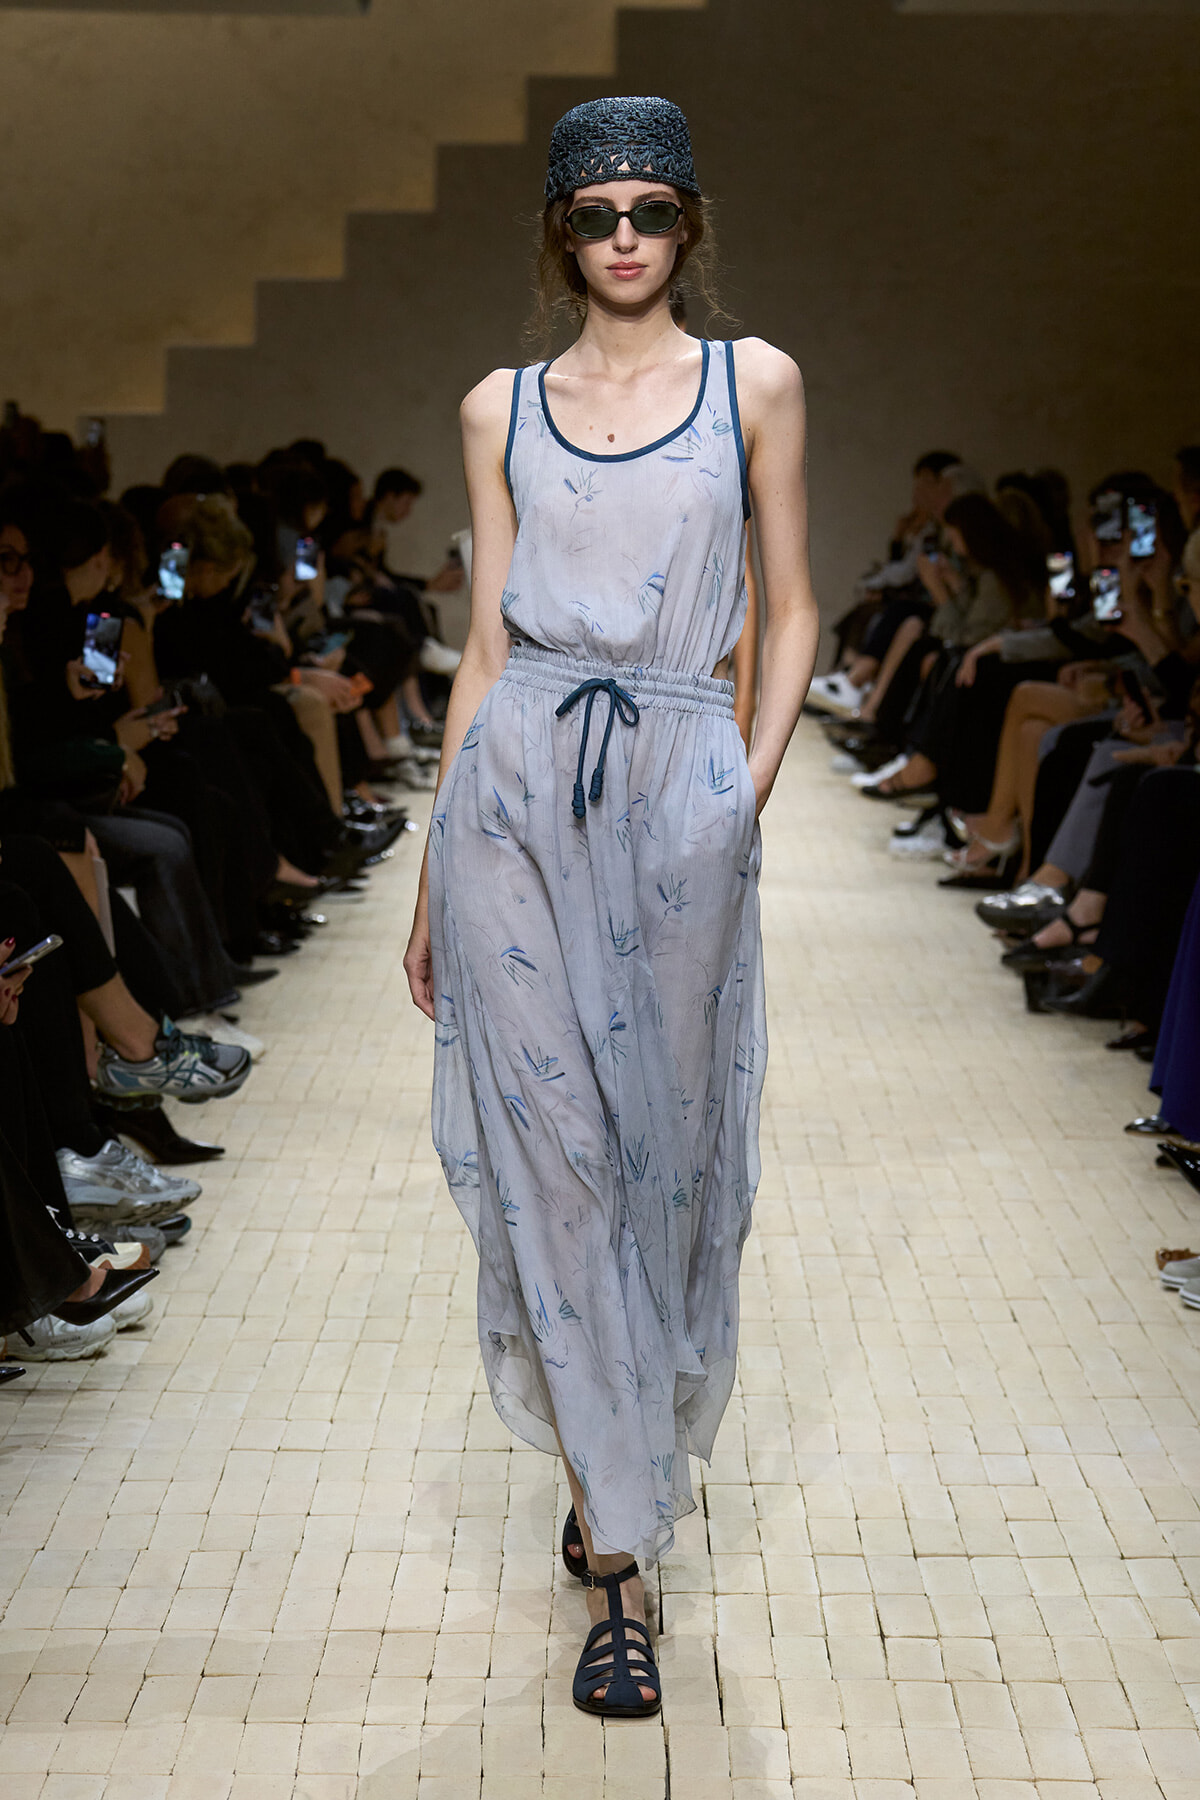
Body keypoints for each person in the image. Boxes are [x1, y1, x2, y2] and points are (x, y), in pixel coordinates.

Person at [403, 95, 818, 1718]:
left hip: (679, 794)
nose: (626, 236)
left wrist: (741, 786)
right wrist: (439, 854)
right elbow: (491, 646)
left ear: (689, 224)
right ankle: (617, 1555)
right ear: (560, 236)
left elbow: (789, 610)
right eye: (597, 215)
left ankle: (624, 1480)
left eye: (651, 209)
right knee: (551, 1164)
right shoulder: (500, 407)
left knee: (661, 1158)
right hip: (513, 792)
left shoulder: (755, 382)